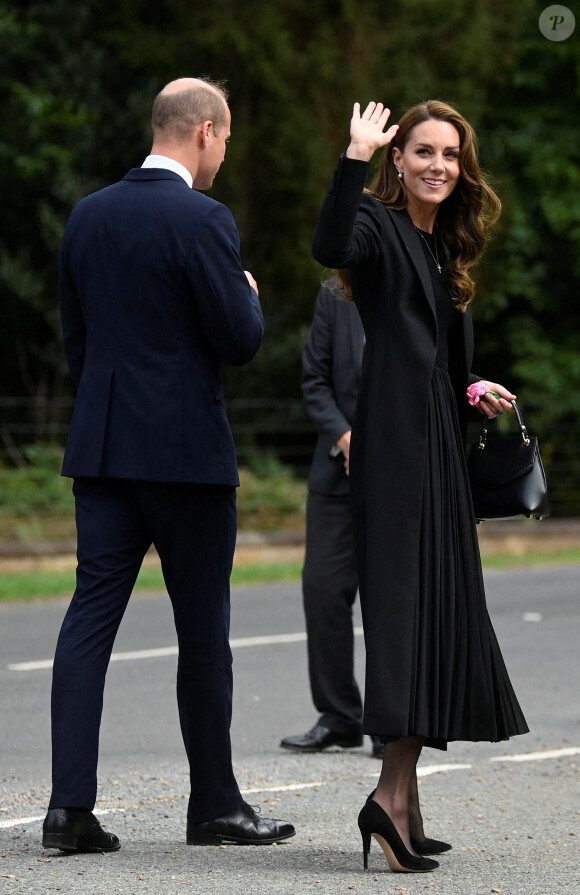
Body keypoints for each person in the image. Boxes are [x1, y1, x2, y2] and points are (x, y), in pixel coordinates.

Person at [42, 77, 295, 854]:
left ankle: (67, 811)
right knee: (202, 632)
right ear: (206, 131)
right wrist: (248, 292)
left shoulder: (88, 215)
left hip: (107, 450)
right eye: (225, 140)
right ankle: (214, 805)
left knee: (88, 623)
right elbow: (241, 339)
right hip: (186, 458)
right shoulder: (202, 218)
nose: (223, 154)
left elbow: (77, 343)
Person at [312, 99, 529, 874]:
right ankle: (386, 796)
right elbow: (328, 242)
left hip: (436, 442)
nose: (439, 165)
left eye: (451, 155)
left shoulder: (442, 249)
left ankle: (402, 799)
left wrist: (469, 388)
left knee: (434, 614)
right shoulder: (376, 222)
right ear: (399, 162)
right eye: (424, 152)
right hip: (397, 451)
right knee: (406, 618)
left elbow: (428, 349)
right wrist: (354, 157)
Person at [279, 281, 382, 758]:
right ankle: (340, 716)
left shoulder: (422, 277)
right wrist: (345, 438)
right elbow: (314, 379)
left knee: (390, 598)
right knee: (322, 590)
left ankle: (392, 723)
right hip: (335, 472)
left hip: (399, 473)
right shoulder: (334, 293)